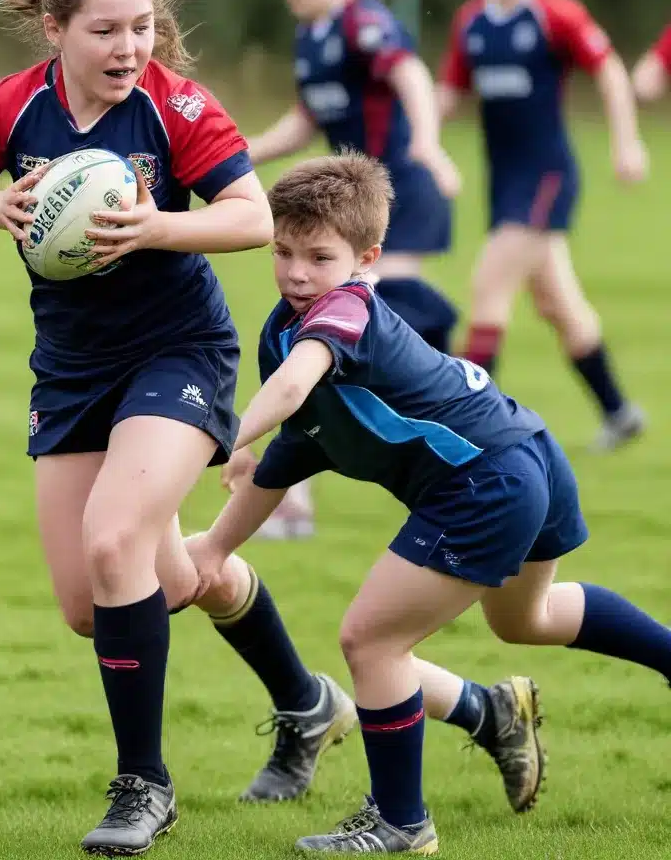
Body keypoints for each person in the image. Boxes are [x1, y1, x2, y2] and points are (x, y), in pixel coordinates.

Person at [0, 0, 361, 856]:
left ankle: (143, 786)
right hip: (71, 369)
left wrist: (153, 228)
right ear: (55, 30)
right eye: (106, 30)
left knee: (117, 546)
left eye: (142, 27)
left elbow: (247, 214)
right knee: (109, 594)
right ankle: (306, 702)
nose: (129, 47)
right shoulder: (10, 108)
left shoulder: (175, 108)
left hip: (178, 350)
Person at [188, 151, 671, 853]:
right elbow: (299, 444)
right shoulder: (287, 326)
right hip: (524, 448)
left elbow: (293, 393)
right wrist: (217, 545)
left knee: (370, 641)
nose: (296, 271)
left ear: (367, 257)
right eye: (282, 251)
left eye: (319, 256)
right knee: (526, 618)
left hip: (488, 482)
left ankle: (400, 822)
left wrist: (214, 436)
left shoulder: (345, 311)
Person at [246, 0, 461, 539]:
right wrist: (234, 158)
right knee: (321, 340)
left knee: (334, 334)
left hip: (391, 195)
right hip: (335, 213)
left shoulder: (363, 21)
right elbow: (302, 122)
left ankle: (445, 364)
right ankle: (295, 501)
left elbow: (412, 74)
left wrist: (426, 139)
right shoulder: (311, 37)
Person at [438, 0, 647, 452]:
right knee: (558, 304)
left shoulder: (557, 13)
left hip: (548, 175)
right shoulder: (472, 21)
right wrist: (420, 144)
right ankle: (619, 412)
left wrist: (626, 141)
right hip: (503, 181)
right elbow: (447, 94)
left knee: (488, 287)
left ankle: (471, 429)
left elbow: (609, 71)